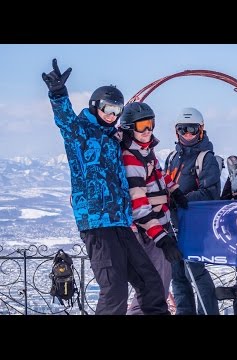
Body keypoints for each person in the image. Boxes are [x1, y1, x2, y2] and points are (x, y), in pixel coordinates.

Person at [42, 59, 170, 315]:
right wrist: (58, 94)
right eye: (107, 109)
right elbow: (64, 120)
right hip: (97, 224)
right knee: (114, 291)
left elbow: (142, 145)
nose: (112, 115)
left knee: (151, 282)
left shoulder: (115, 137)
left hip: (121, 222)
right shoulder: (80, 132)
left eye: (117, 110)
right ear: (95, 106)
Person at [118, 102, 188, 315]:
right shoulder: (131, 158)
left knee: (157, 286)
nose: (148, 130)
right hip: (149, 233)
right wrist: (162, 239)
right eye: (142, 126)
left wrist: (174, 190)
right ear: (130, 128)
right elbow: (138, 207)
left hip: (158, 227)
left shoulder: (145, 151)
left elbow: (159, 173)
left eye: (150, 124)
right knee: (153, 289)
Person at [165, 107, 221, 315]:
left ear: (201, 130)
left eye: (193, 129)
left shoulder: (206, 158)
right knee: (177, 275)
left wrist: (180, 200)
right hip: (172, 225)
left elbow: (210, 193)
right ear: (176, 131)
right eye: (183, 129)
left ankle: (208, 312)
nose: (188, 134)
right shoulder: (172, 157)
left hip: (195, 226)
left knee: (196, 274)